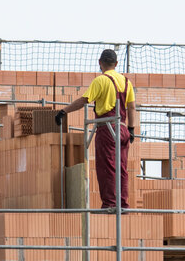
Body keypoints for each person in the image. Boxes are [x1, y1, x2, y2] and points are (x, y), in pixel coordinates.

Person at [54, 49, 137, 209]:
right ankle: (123, 206)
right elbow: (132, 107)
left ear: (100, 63)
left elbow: (84, 100)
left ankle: (110, 205)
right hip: (123, 129)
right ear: (117, 64)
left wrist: (64, 111)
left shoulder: (100, 81)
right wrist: (131, 129)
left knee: (107, 168)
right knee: (122, 169)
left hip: (107, 129)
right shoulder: (127, 82)